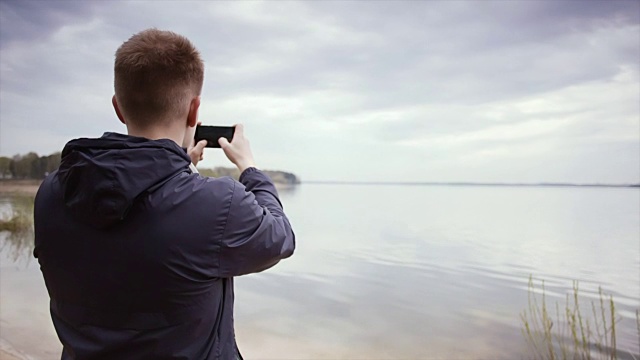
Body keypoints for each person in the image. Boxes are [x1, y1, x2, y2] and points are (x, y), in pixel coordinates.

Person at [33, 28, 296, 360]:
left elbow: (134, 218)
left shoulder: (52, 194)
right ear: (194, 110)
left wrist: (180, 169)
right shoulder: (219, 206)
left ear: (118, 107)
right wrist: (249, 167)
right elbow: (280, 237)